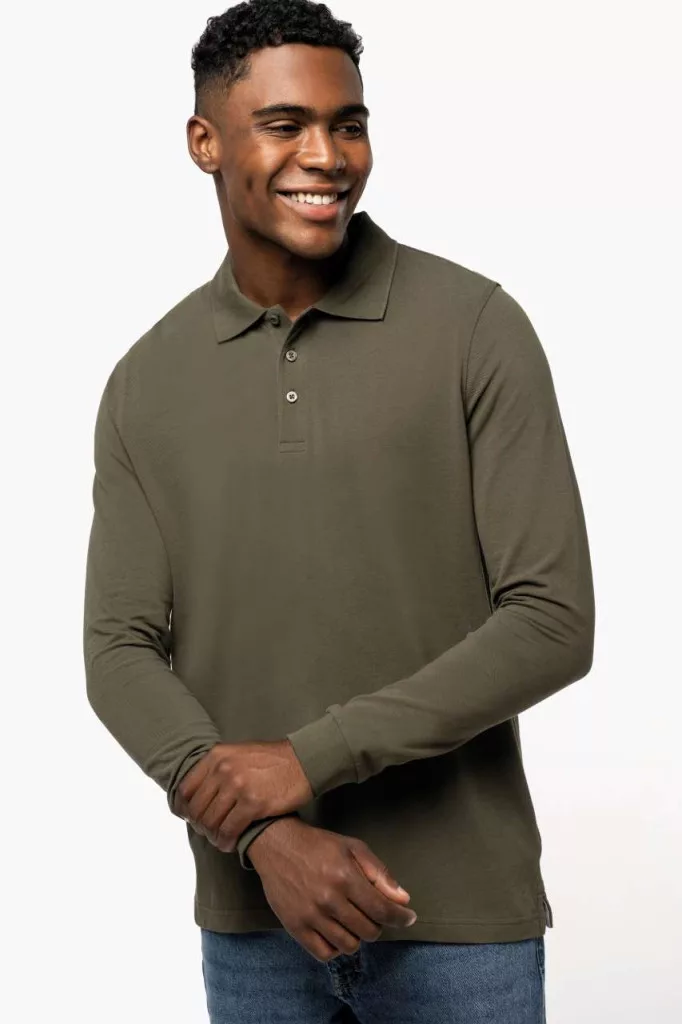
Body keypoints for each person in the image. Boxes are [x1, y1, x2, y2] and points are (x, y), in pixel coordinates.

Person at [82, 1, 595, 1020]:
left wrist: (307, 759)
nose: (326, 155)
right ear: (205, 141)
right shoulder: (146, 383)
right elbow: (119, 649)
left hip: (457, 925)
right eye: (284, 124)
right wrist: (261, 834)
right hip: (254, 927)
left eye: (347, 123)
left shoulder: (474, 328)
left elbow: (551, 620)